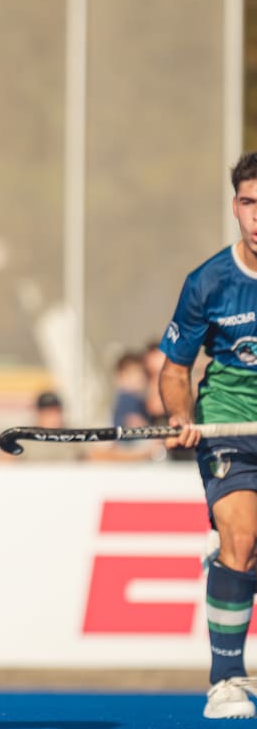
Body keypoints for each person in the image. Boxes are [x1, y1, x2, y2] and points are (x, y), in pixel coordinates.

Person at [160, 151, 257, 720]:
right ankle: (225, 681)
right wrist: (179, 417)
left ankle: (227, 561)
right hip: (228, 427)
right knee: (241, 537)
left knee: (241, 553)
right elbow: (174, 369)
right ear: (235, 207)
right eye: (249, 203)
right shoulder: (209, 282)